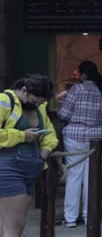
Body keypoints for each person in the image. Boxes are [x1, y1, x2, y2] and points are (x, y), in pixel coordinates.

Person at [59, 60, 102, 228]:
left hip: (74, 138)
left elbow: (63, 114)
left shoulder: (76, 89)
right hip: (98, 139)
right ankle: (89, 216)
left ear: (83, 74)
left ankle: (70, 219)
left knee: (74, 177)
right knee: (93, 179)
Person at [0, 74, 58, 236]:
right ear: (24, 91)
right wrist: (22, 136)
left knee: (7, 224)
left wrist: (44, 154)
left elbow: (50, 134)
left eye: (41, 103)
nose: (37, 105)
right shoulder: (4, 101)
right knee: (15, 226)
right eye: (34, 101)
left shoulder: (38, 107)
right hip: (8, 169)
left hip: (31, 171)